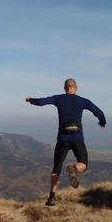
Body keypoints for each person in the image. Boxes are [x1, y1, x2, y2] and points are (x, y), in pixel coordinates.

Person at [25, 78, 106, 206]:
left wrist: (31, 100)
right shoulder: (83, 101)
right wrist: (102, 122)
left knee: (56, 170)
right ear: (76, 88)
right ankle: (74, 169)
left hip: (62, 139)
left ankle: (51, 198)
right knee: (83, 164)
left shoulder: (59, 98)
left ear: (64, 89)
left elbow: (42, 102)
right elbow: (99, 113)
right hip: (77, 139)